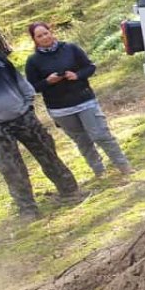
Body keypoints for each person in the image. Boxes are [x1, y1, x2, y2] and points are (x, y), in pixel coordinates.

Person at [0, 50, 81, 220]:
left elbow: (20, 81)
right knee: (12, 170)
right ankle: (28, 210)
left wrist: (29, 106)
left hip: (24, 117)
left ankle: (70, 192)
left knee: (48, 155)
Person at [24, 22, 133, 177]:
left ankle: (124, 166)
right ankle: (99, 171)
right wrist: (48, 81)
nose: (44, 37)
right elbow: (32, 87)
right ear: (34, 39)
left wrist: (77, 75)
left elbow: (90, 67)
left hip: (84, 100)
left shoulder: (70, 48)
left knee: (101, 135)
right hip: (60, 108)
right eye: (39, 36)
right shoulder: (33, 61)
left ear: (51, 32)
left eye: (46, 33)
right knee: (82, 141)